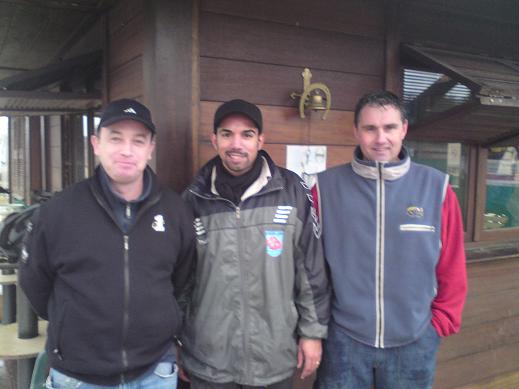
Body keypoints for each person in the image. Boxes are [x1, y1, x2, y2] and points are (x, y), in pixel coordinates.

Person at [19, 98, 196, 388]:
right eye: (116, 138)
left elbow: (182, 279)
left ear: (150, 149)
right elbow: (35, 283)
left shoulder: (175, 211)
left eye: (138, 141)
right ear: (96, 144)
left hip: (155, 372)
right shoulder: (59, 211)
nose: (127, 150)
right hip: (79, 375)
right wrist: (69, 322)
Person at [313, 90, 468, 389]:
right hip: (344, 339)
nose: (380, 138)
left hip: (414, 340)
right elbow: (311, 268)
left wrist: (439, 325)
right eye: (370, 128)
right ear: (356, 131)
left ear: (404, 129)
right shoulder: (325, 188)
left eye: (390, 127)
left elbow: (452, 263)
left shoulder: (437, 189)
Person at [180, 99, 330, 388]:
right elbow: (180, 281)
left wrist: (312, 333)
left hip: (273, 356)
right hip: (209, 360)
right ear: (214, 139)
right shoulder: (193, 199)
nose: (236, 143)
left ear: (260, 140)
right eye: (227, 134)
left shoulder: (291, 191)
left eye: (247, 134)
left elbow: (310, 269)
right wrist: (175, 340)